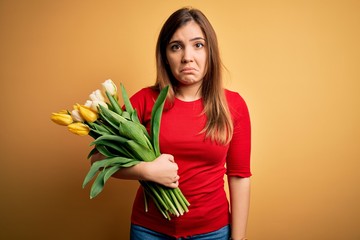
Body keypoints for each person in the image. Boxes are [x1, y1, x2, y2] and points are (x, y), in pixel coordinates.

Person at [96, 7, 251, 240]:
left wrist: (238, 239)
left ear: (210, 51)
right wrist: (146, 170)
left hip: (212, 232)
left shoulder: (234, 105)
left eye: (198, 45)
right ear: (165, 56)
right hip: (150, 231)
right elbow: (99, 159)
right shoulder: (145, 100)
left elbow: (239, 176)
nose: (187, 56)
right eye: (176, 46)